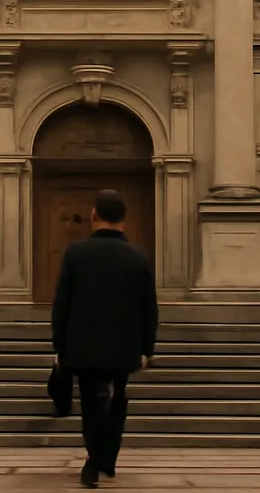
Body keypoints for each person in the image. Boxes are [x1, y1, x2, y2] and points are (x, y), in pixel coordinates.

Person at [50, 188, 159, 488]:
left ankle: (94, 458)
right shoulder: (138, 257)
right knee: (117, 400)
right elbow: (149, 306)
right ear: (124, 218)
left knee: (90, 402)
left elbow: (62, 303)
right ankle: (106, 458)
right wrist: (147, 347)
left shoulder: (75, 253)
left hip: (83, 346)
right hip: (123, 347)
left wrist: (59, 345)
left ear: (94, 215)